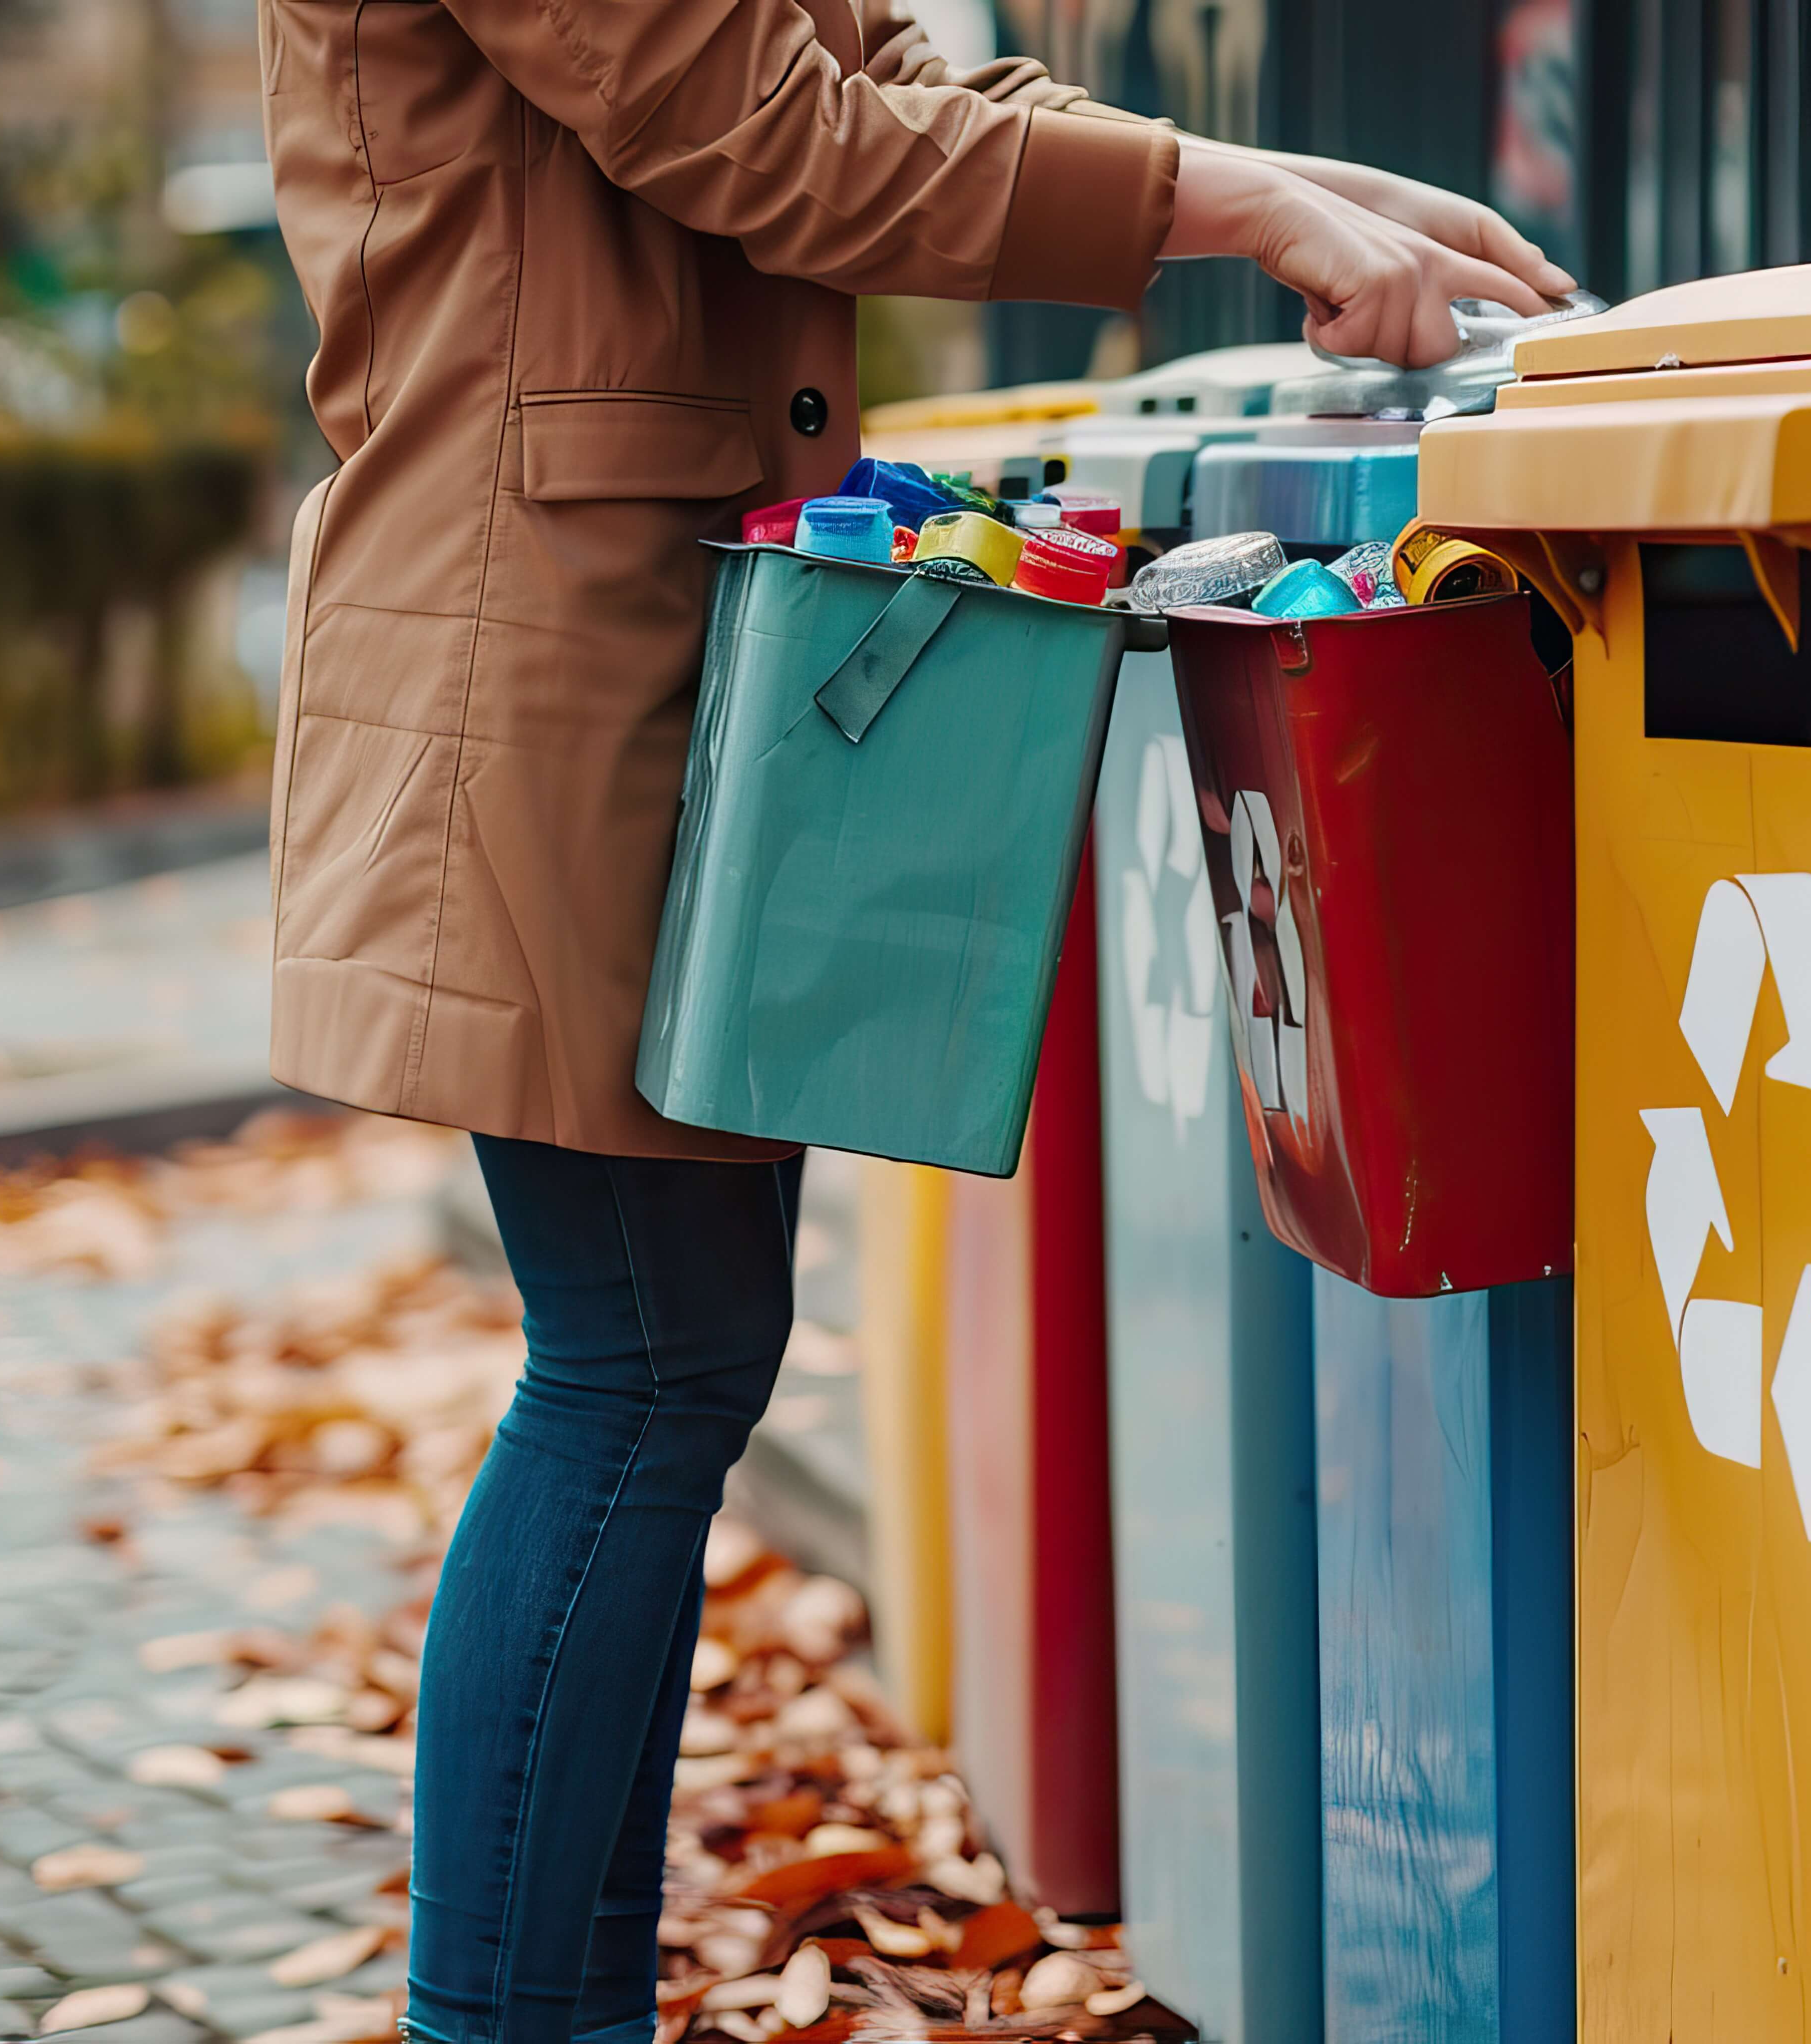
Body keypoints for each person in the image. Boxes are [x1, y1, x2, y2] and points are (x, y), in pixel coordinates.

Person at [249, 6, 1571, 2039]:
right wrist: (1238, 204)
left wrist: (1317, 195)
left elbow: (883, 76)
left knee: (667, 1365)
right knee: (635, 1368)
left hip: (639, 642)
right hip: (544, 654)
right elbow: (775, 139)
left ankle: (552, 2017)